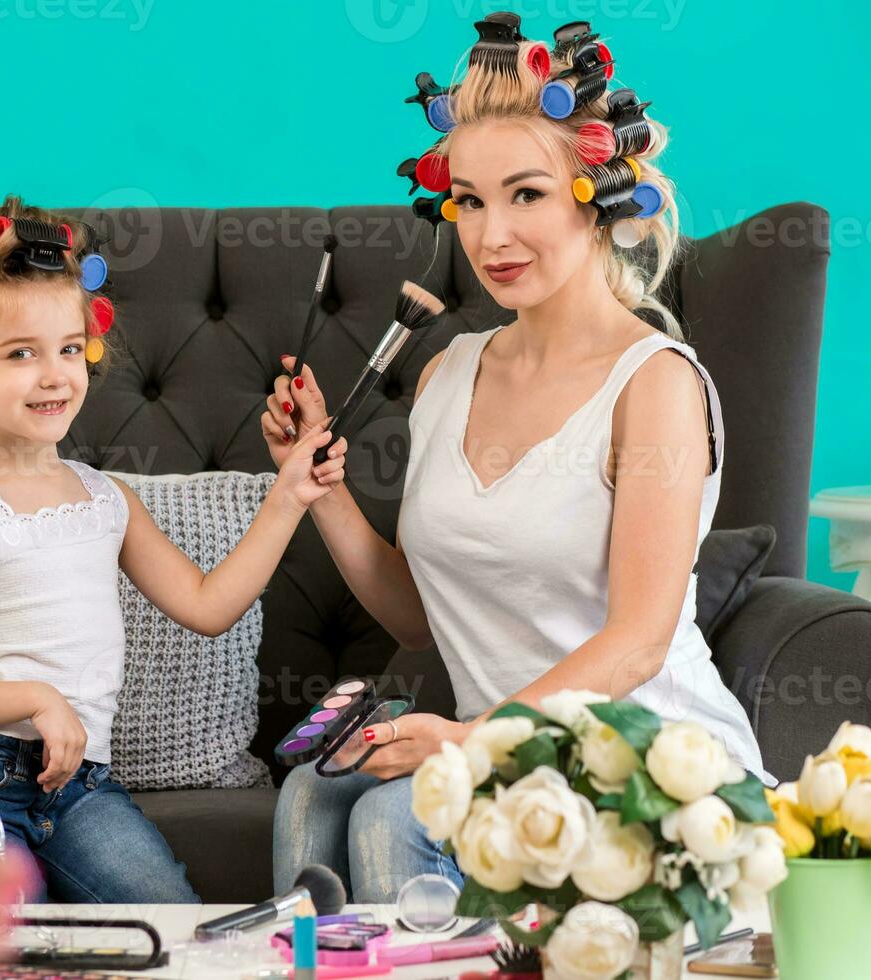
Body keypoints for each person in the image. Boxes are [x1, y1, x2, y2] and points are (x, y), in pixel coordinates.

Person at [261, 12, 776, 904]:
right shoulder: (448, 375)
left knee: (394, 815)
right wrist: (323, 491)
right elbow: (429, 619)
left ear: (599, 197)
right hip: (505, 754)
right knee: (313, 792)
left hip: (648, 764)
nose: (490, 235)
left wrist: (469, 741)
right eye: (468, 200)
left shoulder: (652, 384)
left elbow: (637, 641)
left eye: (526, 195)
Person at [0, 196, 349, 904]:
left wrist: (288, 496)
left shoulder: (106, 501)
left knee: (177, 932)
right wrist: (37, 698)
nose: (54, 374)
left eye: (69, 348)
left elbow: (209, 605)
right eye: (19, 355)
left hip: (81, 787)